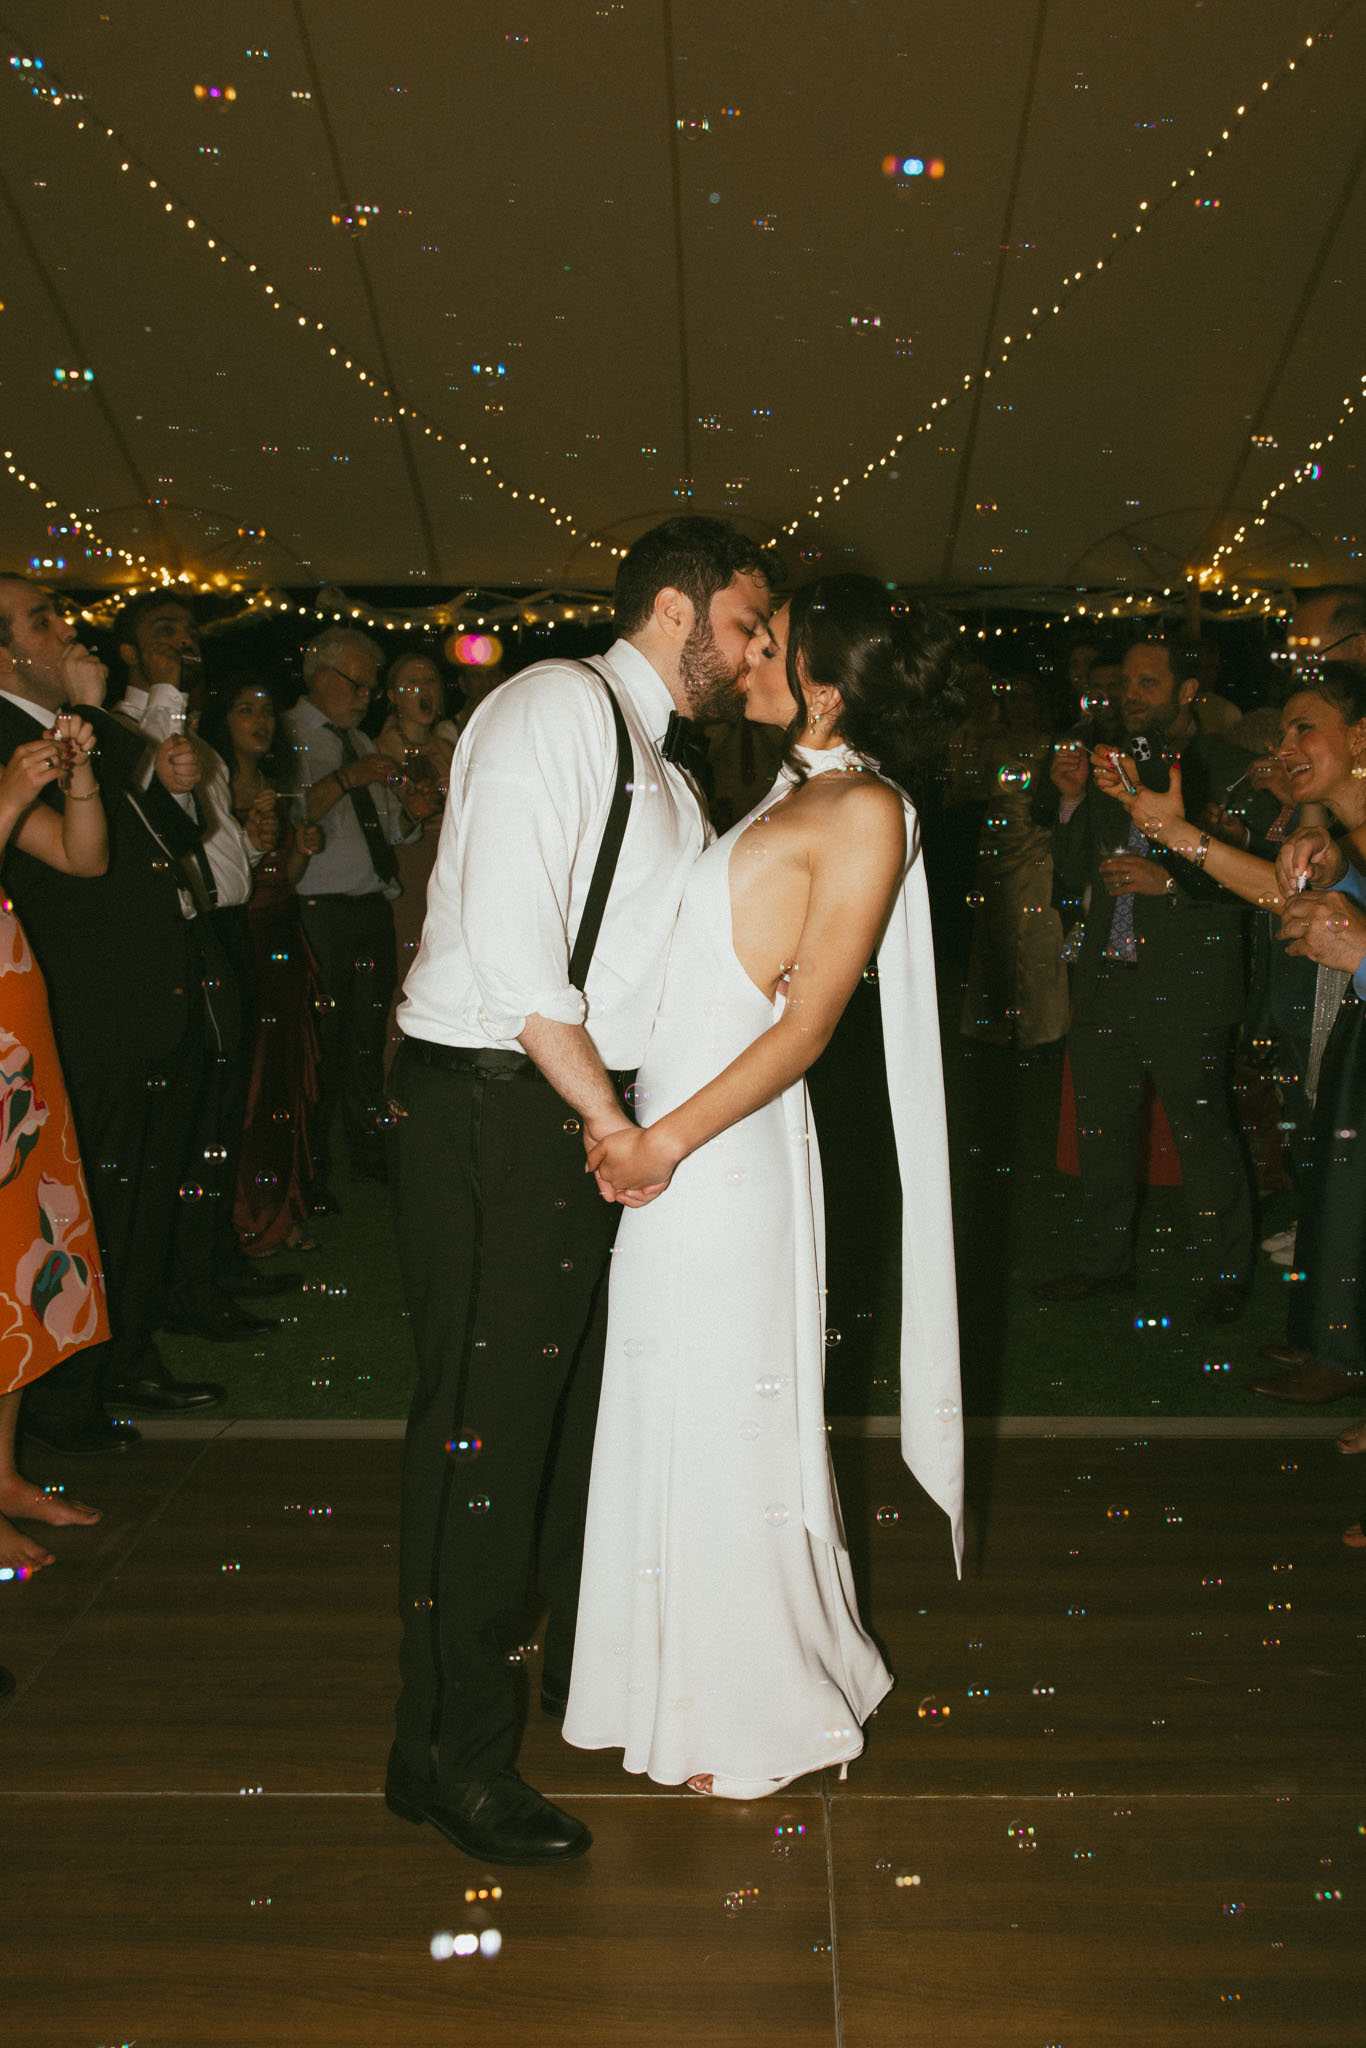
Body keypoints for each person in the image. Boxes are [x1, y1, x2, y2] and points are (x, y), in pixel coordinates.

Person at [383, 515, 777, 1866]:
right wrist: (612, 1121)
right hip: (500, 1107)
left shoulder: (663, 771)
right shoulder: (555, 705)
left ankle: (476, 1717)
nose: (756, 646)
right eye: (745, 621)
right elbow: (508, 953)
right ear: (675, 610)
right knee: (480, 1442)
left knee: (542, 1436)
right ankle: (451, 1763)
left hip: (562, 1116)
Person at [564, 575, 964, 1798]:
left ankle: (748, 1707)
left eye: (772, 647)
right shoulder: (795, 791)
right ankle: (689, 1677)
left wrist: (659, 1140)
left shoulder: (866, 812)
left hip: (718, 1153)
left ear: (826, 687)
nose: (744, 658)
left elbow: (806, 1031)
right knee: (677, 1403)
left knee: (722, 1413)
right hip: (688, 1137)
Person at [0, 574, 223, 1449]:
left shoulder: (59, 734)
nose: (67, 632)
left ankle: (112, 1363)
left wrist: (93, 740)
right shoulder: (9, 731)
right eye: (43, 622)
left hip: (110, 997)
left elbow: (138, 842)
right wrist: (98, 721)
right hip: (66, 1000)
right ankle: (66, 1401)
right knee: (74, 1203)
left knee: (121, 1196)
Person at [1031, 636, 1254, 1322]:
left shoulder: (1230, 769)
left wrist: (1172, 884)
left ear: (1189, 690)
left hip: (1188, 977)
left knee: (1202, 1130)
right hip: (1109, 975)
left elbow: (1264, 887)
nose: (1130, 693)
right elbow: (1074, 875)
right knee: (1102, 1130)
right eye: (1126, 681)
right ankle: (1104, 1263)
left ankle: (1225, 1272)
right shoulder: (1109, 767)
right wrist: (1070, 803)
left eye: (1149, 682)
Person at [109, 594, 289, 1342]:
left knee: (220, 1110)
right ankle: (183, 1292)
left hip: (219, 931)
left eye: (188, 632)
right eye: (162, 632)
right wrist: (168, 695)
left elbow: (209, 854)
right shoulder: (119, 730)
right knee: (190, 1123)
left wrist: (252, 842)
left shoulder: (200, 747)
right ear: (127, 653)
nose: (183, 642)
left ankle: (209, 1266)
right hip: (174, 942)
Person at [0, 716, 109, 1569]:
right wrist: (9, 792)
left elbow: (85, 858)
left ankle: (1, 1474)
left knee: (22, 1262)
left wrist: (76, 779)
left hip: (14, 1043)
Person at [284, 629, 439, 1211]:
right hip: (318, 910)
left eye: (372, 687)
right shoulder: (289, 734)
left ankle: (368, 1155)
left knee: (365, 1042)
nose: (366, 695)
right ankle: (309, 1169)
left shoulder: (354, 740)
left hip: (370, 904)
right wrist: (346, 780)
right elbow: (287, 818)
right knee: (319, 1047)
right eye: (358, 683)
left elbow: (384, 829)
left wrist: (411, 815)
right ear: (319, 675)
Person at [198, 676, 325, 1260]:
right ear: (221, 720)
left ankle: (281, 1208)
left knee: (284, 1076)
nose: (260, 720)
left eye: (266, 710)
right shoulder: (206, 787)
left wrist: (301, 845)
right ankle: (246, 1217)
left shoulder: (276, 786)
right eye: (245, 709)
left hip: (281, 935)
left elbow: (289, 878)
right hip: (238, 939)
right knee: (247, 1082)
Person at [960, 673, 1068, 1050]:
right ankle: (994, 1024)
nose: (1018, 707)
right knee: (995, 934)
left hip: (1036, 846)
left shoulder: (1050, 745)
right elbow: (970, 791)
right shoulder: (993, 744)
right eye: (1013, 699)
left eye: (1026, 699)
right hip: (996, 845)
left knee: (1037, 931)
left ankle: (1039, 1026)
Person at [371, 649, 459, 1065]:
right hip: (410, 867)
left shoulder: (448, 743)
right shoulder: (381, 749)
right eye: (411, 684)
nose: (423, 691)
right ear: (392, 696)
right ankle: (395, 1071)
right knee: (410, 969)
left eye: (430, 682)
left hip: (450, 865)